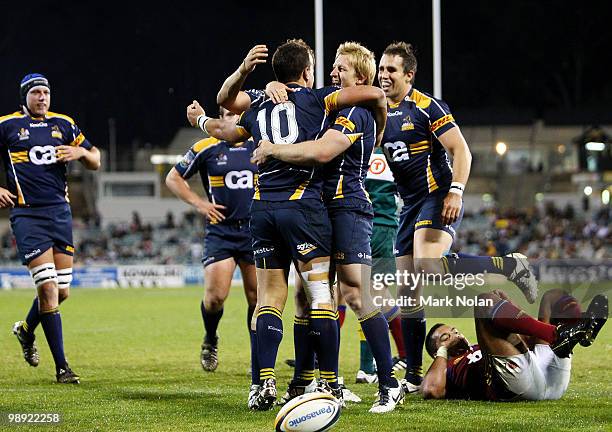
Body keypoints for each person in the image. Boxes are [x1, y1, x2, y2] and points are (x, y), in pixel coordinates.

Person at [188, 40, 387, 410]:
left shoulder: (258, 103)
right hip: (304, 209)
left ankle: (262, 385)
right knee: (320, 297)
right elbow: (374, 94)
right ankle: (328, 385)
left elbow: (226, 116)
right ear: (307, 72)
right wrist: (380, 118)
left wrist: (240, 78)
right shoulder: (320, 100)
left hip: (261, 211)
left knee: (269, 299)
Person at [252, 42, 404, 413]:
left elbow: (321, 152)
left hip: (348, 209)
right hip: (320, 209)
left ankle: (388, 383)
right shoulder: (333, 108)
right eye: (332, 68)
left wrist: (271, 150)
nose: (334, 74)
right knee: (309, 297)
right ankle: (306, 383)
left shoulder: (356, 114)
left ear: (360, 78)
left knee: (353, 291)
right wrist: (275, 89)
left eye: (342, 70)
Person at [377, 42, 538, 392]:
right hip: (409, 207)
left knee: (428, 264)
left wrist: (457, 190)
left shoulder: (426, 107)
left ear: (409, 74)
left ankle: (509, 266)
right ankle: (412, 375)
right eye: (381, 68)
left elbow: (460, 149)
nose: (384, 74)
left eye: (392, 69)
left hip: (437, 197)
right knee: (408, 294)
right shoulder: (376, 109)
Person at [1, 73, 101, 383]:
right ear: (25, 97)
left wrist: (81, 153)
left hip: (60, 213)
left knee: (61, 291)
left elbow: (95, 159)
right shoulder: (7, 125)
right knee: (47, 288)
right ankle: (62, 368)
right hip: (27, 215)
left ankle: (26, 330)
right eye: (36, 93)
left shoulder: (65, 124)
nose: (42, 97)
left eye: (46, 92)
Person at [166, 106, 258, 377]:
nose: (233, 119)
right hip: (221, 231)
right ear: (220, 119)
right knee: (215, 297)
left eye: (238, 115)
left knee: (258, 299)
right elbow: (173, 178)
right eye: (228, 115)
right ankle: (211, 337)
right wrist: (199, 203)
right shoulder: (206, 147)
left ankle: (259, 357)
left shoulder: (260, 142)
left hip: (255, 231)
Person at [422, 290, 608, 400]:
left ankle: (576, 332)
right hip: (517, 388)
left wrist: (511, 307)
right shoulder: (447, 367)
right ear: (436, 351)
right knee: (484, 300)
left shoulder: (483, 345)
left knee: (553, 296)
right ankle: (560, 335)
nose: (453, 334)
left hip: (546, 374)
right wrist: (444, 350)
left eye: (453, 329)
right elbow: (431, 390)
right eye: (444, 337)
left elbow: (528, 338)